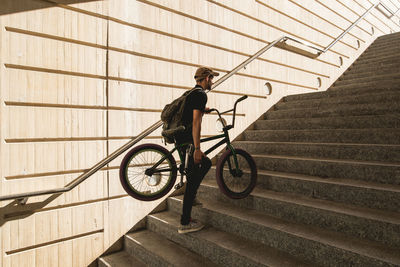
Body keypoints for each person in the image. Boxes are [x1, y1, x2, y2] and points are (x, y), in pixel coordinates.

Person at [176, 66, 219, 234]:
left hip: (181, 138)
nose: (212, 81)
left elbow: (191, 113)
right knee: (194, 177)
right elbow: (195, 123)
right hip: (188, 141)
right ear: (206, 78)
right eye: (211, 78)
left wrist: (203, 110)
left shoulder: (192, 93)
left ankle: (192, 195)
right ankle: (185, 223)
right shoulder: (201, 95)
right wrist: (197, 148)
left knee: (206, 164)